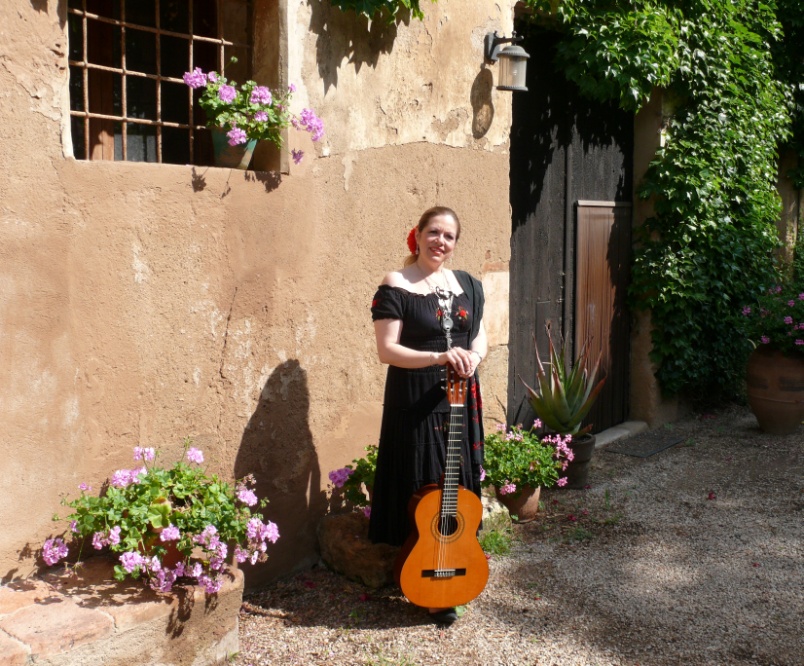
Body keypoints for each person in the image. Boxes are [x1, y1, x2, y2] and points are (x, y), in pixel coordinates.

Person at [369, 206, 487, 626]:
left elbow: (480, 337)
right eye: (433, 232)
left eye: (449, 236)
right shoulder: (397, 284)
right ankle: (419, 566)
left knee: (453, 479)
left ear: (455, 244)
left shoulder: (468, 284)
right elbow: (387, 350)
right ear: (416, 236)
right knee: (422, 479)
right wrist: (439, 355)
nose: (441, 241)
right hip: (415, 397)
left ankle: (453, 562)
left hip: (459, 395)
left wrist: (473, 356)